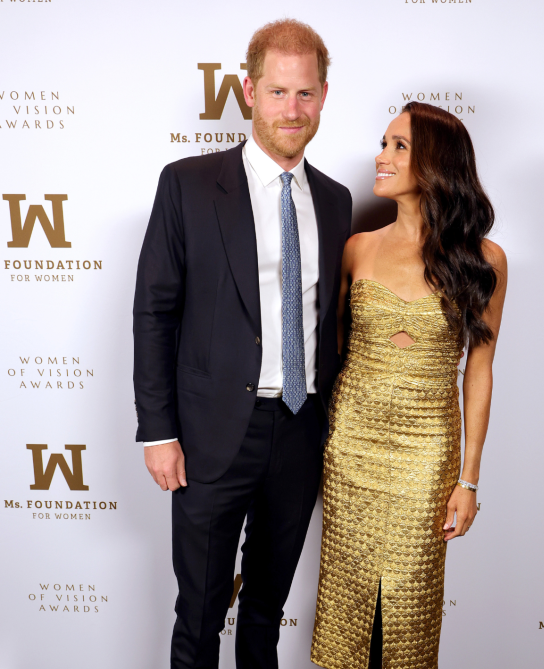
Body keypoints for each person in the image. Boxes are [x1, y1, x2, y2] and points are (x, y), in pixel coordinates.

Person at [133, 19, 351, 669]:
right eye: (279, 92)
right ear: (249, 91)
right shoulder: (188, 184)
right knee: (199, 614)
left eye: (305, 94)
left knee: (266, 615)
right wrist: (158, 430)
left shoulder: (337, 202)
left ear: (324, 95)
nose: (292, 109)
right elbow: (155, 310)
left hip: (302, 425)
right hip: (208, 433)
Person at [309, 101, 507, 669]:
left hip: (427, 453)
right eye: (384, 142)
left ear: (437, 164)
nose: (381, 155)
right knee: (347, 613)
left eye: (399, 146)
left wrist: (468, 480)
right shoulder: (357, 247)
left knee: (408, 617)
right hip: (351, 448)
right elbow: (333, 355)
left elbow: (481, 369)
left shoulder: (484, 260)